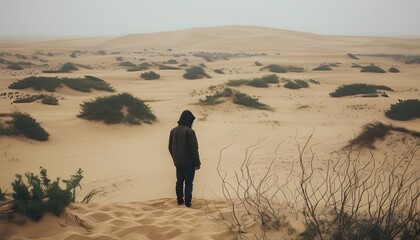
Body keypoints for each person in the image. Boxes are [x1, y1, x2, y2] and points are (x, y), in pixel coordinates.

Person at [168, 110, 201, 207]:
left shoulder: (173, 131)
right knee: (188, 183)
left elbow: (170, 147)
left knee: (179, 182)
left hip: (178, 163)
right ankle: (188, 202)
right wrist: (197, 163)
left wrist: (175, 158)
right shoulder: (189, 131)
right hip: (189, 163)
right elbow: (194, 149)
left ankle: (179, 200)